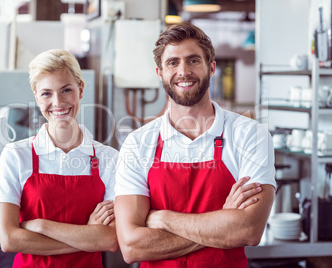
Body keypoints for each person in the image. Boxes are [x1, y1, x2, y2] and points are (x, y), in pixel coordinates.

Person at [114, 22, 276, 267]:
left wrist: (163, 218)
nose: (183, 71)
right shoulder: (138, 144)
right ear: (160, 73)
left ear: (211, 68)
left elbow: (249, 230)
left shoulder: (250, 135)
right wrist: (223, 223)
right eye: (172, 63)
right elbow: (131, 246)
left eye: (193, 60)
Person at [0, 49, 118, 267]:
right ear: (37, 97)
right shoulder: (16, 155)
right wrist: (88, 236)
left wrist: (41, 226)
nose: (57, 102)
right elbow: (9, 239)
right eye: (47, 93)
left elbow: (111, 240)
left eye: (66, 90)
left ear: (81, 89)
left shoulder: (109, 158)